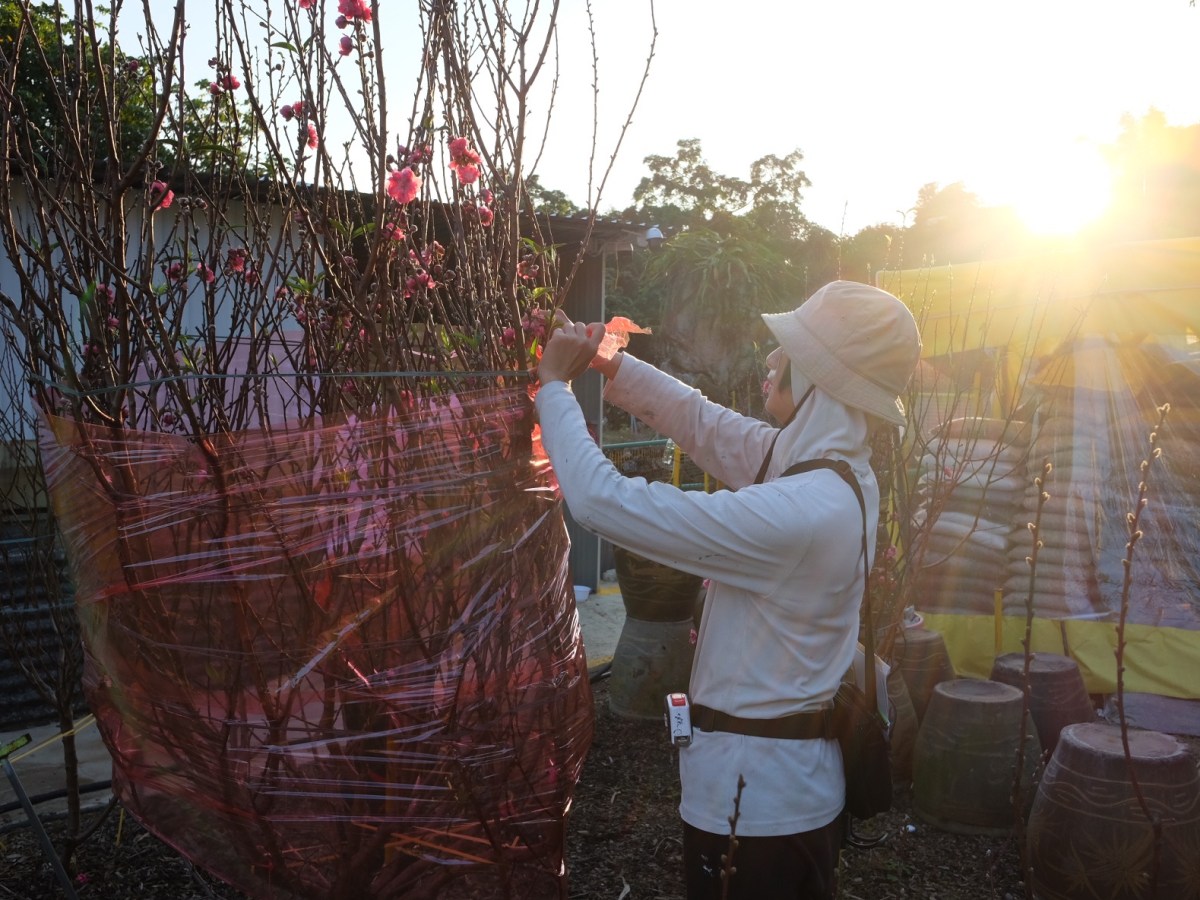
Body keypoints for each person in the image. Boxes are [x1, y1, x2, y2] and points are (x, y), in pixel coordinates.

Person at [535, 280, 921, 899]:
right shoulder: (835, 472)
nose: (770, 360)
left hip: (757, 811)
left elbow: (602, 502)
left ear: (821, 380)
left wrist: (554, 389)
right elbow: (703, 423)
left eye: (789, 351)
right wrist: (605, 357)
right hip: (781, 795)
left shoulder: (804, 511)